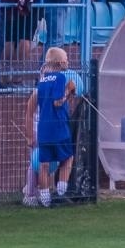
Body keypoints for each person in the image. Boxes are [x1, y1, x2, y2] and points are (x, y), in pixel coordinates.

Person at [25, 47, 77, 207]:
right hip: (58, 129)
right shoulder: (61, 78)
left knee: (43, 163)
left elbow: (29, 110)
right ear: (61, 63)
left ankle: (43, 195)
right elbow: (57, 102)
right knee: (67, 158)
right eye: (67, 58)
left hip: (42, 130)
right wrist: (69, 92)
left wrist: (30, 135)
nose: (68, 61)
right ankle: (60, 190)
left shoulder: (41, 84)